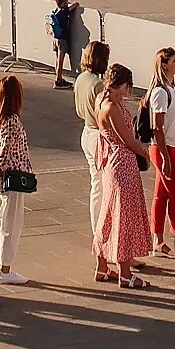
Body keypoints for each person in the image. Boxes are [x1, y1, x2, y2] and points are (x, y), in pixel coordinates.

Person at [91, 62, 153, 289]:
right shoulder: (112, 107)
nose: (129, 92)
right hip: (122, 164)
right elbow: (126, 139)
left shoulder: (102, 99)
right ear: (122, 85)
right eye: (128, 87)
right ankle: (125, 273)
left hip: (112, 162)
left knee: (108, 215)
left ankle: (102, 265)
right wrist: (145, 153)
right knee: (122, 218)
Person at [0, 75, 33, 287]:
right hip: (13, 178)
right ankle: (6, 269)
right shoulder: (12, 121)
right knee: (12, 224)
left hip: (1, 178)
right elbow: (4, 152)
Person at [147, 46, 175, 258]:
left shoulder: (172, 89)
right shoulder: (160, 92)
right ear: (164, 65)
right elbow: (158, 128)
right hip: (162, 148)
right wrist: (166, 157)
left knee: (162, 195)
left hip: (173, 147)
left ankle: (158, 239)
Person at [74, 39, 110, 237]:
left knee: (96, 183)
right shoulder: (98, 85)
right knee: (102, 185)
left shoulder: (81, 79)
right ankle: (100, 230)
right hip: (97, 134)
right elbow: (103, 115)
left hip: (86, 131)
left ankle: (97, 228)